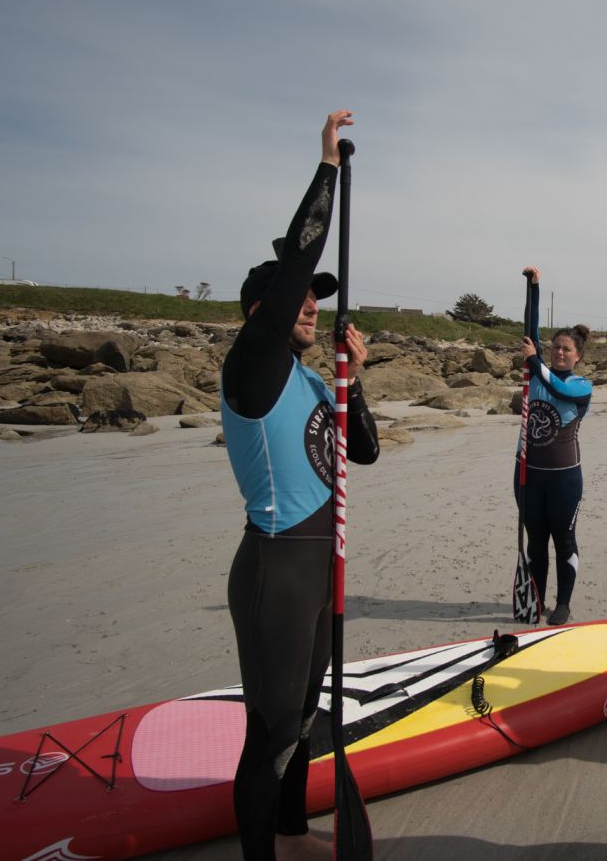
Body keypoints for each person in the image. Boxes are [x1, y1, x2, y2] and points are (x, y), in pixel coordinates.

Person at [220, 110, 381, 861]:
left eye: (319, 297)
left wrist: (358, 379)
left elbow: (366, 452)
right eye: (299, 297)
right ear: (262, 311)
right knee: (274, 728)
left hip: (320, 571)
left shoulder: (314, 379)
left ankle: (290, 831)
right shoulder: (252, 368)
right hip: (277, 569)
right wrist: (328, 170)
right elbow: (294, 272)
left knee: (307, 716)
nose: (312, 304)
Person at [516, 266, 593, 626]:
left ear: (577, 355)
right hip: (530, 476)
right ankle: (535, 600)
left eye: (566, 349)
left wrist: (535, 360)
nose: (558, 352)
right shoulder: (537, 374)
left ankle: (562, 604)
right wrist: (534, 288)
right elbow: (530, 336)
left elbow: (559, 389)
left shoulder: (580, 385)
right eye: (555, 348)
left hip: (564, 479)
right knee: (535, 544)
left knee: (563, 540)